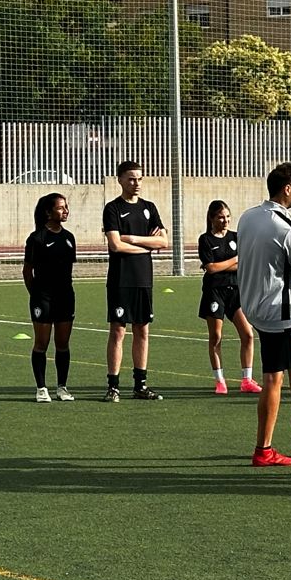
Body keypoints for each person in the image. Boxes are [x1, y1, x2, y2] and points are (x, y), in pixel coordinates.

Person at [236, 162, 291, 467]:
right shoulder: (285, 227)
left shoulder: (248, 216)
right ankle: (264, 450)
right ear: (287, 189)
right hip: (276, 310)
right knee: (273, 379)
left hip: (252, 304)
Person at [102, 160, 167, 402]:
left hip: (144, 280)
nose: (136, 183)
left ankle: (140, 385)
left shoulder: (149, 207)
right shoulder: (113, 209)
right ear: (119, 180)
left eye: (139, 179)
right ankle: (113, 386)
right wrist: (146, 246)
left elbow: (163, 241)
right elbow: (115, 245)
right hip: (121, 280)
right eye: (131, 179)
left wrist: (133, 239)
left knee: (143, 330)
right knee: (118, 331)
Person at [197, 200, 259, 396]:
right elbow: (211, 268)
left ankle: (247, 379)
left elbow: (246, 263)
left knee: (248, 334)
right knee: (216, 336)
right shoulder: (205, 240)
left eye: (227, 217)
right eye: (220, 217)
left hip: (237, 291)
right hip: (215, 292)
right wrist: (235, 260)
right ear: (212, 218)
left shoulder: (236, 237)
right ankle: (220, 380)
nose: (225, 221)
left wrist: (225, 264)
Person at [23, 192, 76, 404]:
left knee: (62, 343)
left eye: (66, 207)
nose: (65, 211)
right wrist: (36, 295)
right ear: (48, 212)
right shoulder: (37, 239)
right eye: (61, 207)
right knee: (42, 343)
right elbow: (27, 272)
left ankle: (62, 387)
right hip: (43, 298)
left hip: (66, 297)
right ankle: (41, 388)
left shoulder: (69, 238)